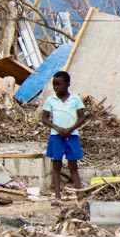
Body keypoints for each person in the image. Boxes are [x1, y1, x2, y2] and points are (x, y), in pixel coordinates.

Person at [41, 71, 87, 201]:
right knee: (56, 165)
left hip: (72, 136)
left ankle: (79, 194)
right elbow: (44, 118)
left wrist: (71, 129)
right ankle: (57, 196)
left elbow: (82, 117)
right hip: (56, 136)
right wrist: (57, 128)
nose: (56, 88)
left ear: (68, 85)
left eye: (59, 85)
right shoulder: (51, 100)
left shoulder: (75, 99)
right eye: (54, 85)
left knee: (73, 165)